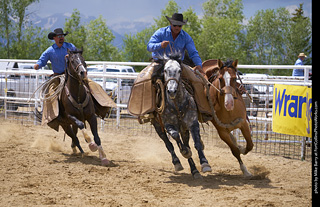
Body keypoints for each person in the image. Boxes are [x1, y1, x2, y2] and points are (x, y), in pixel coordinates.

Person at [128, 13, 212, 122]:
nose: (177, 28)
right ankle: (147, 110)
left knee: (195, 80)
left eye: (179, 26)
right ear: (170, 24)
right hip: (159, 62)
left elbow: (193, 53)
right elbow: (149, 46)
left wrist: (199, 65)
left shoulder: (185, 37)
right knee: (146, 79)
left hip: (178, 64)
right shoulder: (161, 32)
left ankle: (201, 110)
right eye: (175, 25)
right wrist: (160, 45)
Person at [34, 28, 115, 128]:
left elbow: (78, 55)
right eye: (59, 37)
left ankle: (102, 106)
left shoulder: (70, 46)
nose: (61, 38)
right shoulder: (50, 51)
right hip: (58, 76)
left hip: (72, 75)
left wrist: (73, 56)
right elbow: (42, 60)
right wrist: (38, 65)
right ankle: (53, 117)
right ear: (54, 38)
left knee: (93, 85)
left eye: (62, 36)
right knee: (50, 93)